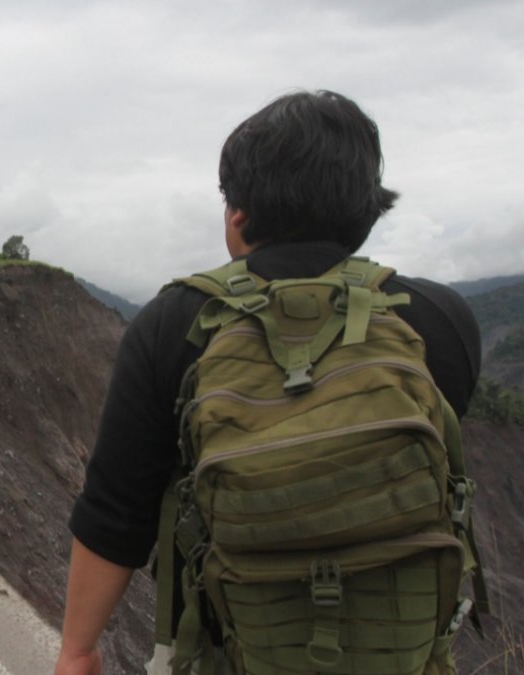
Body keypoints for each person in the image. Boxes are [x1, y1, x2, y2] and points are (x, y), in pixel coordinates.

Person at [54, 89, 481, 675]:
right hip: (399, 654)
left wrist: (77, 651)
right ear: (367, 210)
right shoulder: (437, 318)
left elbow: (115, 514)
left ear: (239, 212)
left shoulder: (175, 324)